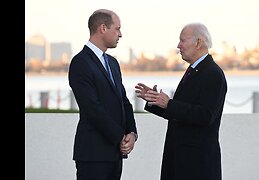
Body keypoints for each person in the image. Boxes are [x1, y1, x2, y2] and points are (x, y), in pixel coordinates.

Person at [135, 23, 227, 180]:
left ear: (198, 43)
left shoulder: (212, 74)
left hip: (197, 165)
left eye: (182, 40)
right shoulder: (194, 70)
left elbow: (205, 116)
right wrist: (155, 101)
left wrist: (169, 104)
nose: (178, 46)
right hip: (179, 160)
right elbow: (180, 113)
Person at [68, 9, 138, 180]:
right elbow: (92, 109)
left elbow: (123, 101)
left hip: (114, 154)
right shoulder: (80, 63)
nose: (120, 34)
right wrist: (120, 137)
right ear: (102, 28)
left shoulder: (113, 63)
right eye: (117, 28)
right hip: (93, 155)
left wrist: (132, 133)